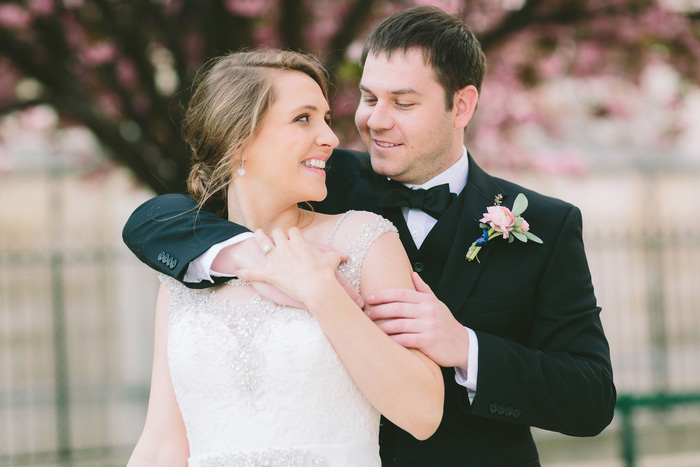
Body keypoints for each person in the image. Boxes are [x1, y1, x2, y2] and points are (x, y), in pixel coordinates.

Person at [123, 6, 616, 466]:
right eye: (368, 98)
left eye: (402, 102)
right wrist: (257, 256)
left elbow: (589, 397)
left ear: (462, 106)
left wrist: (466, 347)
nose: (374, 121)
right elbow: (159, 218)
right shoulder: (320, 179)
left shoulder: (546, 225)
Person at [126, 49, 445, 467]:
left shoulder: (363, 240)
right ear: (237, 138)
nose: (331, 138)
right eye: (303, 118)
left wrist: (322, 294)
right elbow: (163, 443)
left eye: (327, 120)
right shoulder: (187, 274)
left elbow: (423, 414)